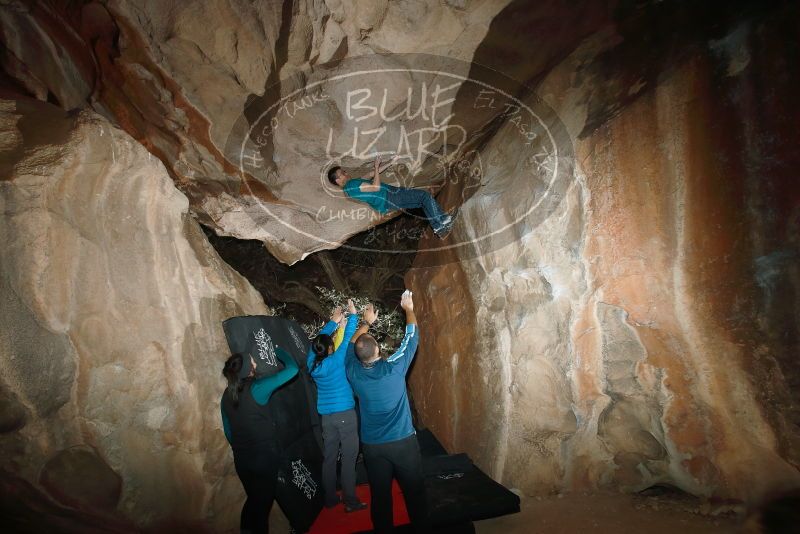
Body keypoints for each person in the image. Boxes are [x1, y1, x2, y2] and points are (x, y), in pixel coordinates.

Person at [345, 290, 430, 533]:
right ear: (379, 351)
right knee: (415, 493)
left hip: (372, 446)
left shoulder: (352, 371)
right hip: (402, 442)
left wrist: (365, 323)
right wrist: (409, 308)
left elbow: (351, 346)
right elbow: (411, 339)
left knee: (380, 496)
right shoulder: (394, 369)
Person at [220, 349, 299, 533]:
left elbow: (228, 430)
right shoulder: (257, 388)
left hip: (242, 461)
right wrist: (280, 351)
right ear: (249, 368)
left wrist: (242, 448)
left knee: (254, 502)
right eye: (253, 361)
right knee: (260, 508)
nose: (255, 363)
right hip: (263, 459)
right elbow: (293, 369)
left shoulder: (226, 396)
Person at [307, 299, 368, 512]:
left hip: (326, 418)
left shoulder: (312, 363)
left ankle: (330, 499)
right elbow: (350, 335)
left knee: (330, 458)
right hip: (345, 415)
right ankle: (350, 501)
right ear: (331, 347)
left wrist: (333, 322)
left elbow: (317, 342)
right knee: (350, 459)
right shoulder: (336, 359)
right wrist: (352, 314)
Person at [328, 155, 455, 238]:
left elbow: (370, 174)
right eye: (342, 173)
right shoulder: (351, 185)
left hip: (388, 202)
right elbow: (376, 187)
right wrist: (377, 167)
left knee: (421, 202)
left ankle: (439, 227)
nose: (346, 172)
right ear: (338, 180)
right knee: (424, 196)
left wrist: (389, 163)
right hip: (389, 196)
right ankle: (442, 220)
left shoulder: (349, 189)